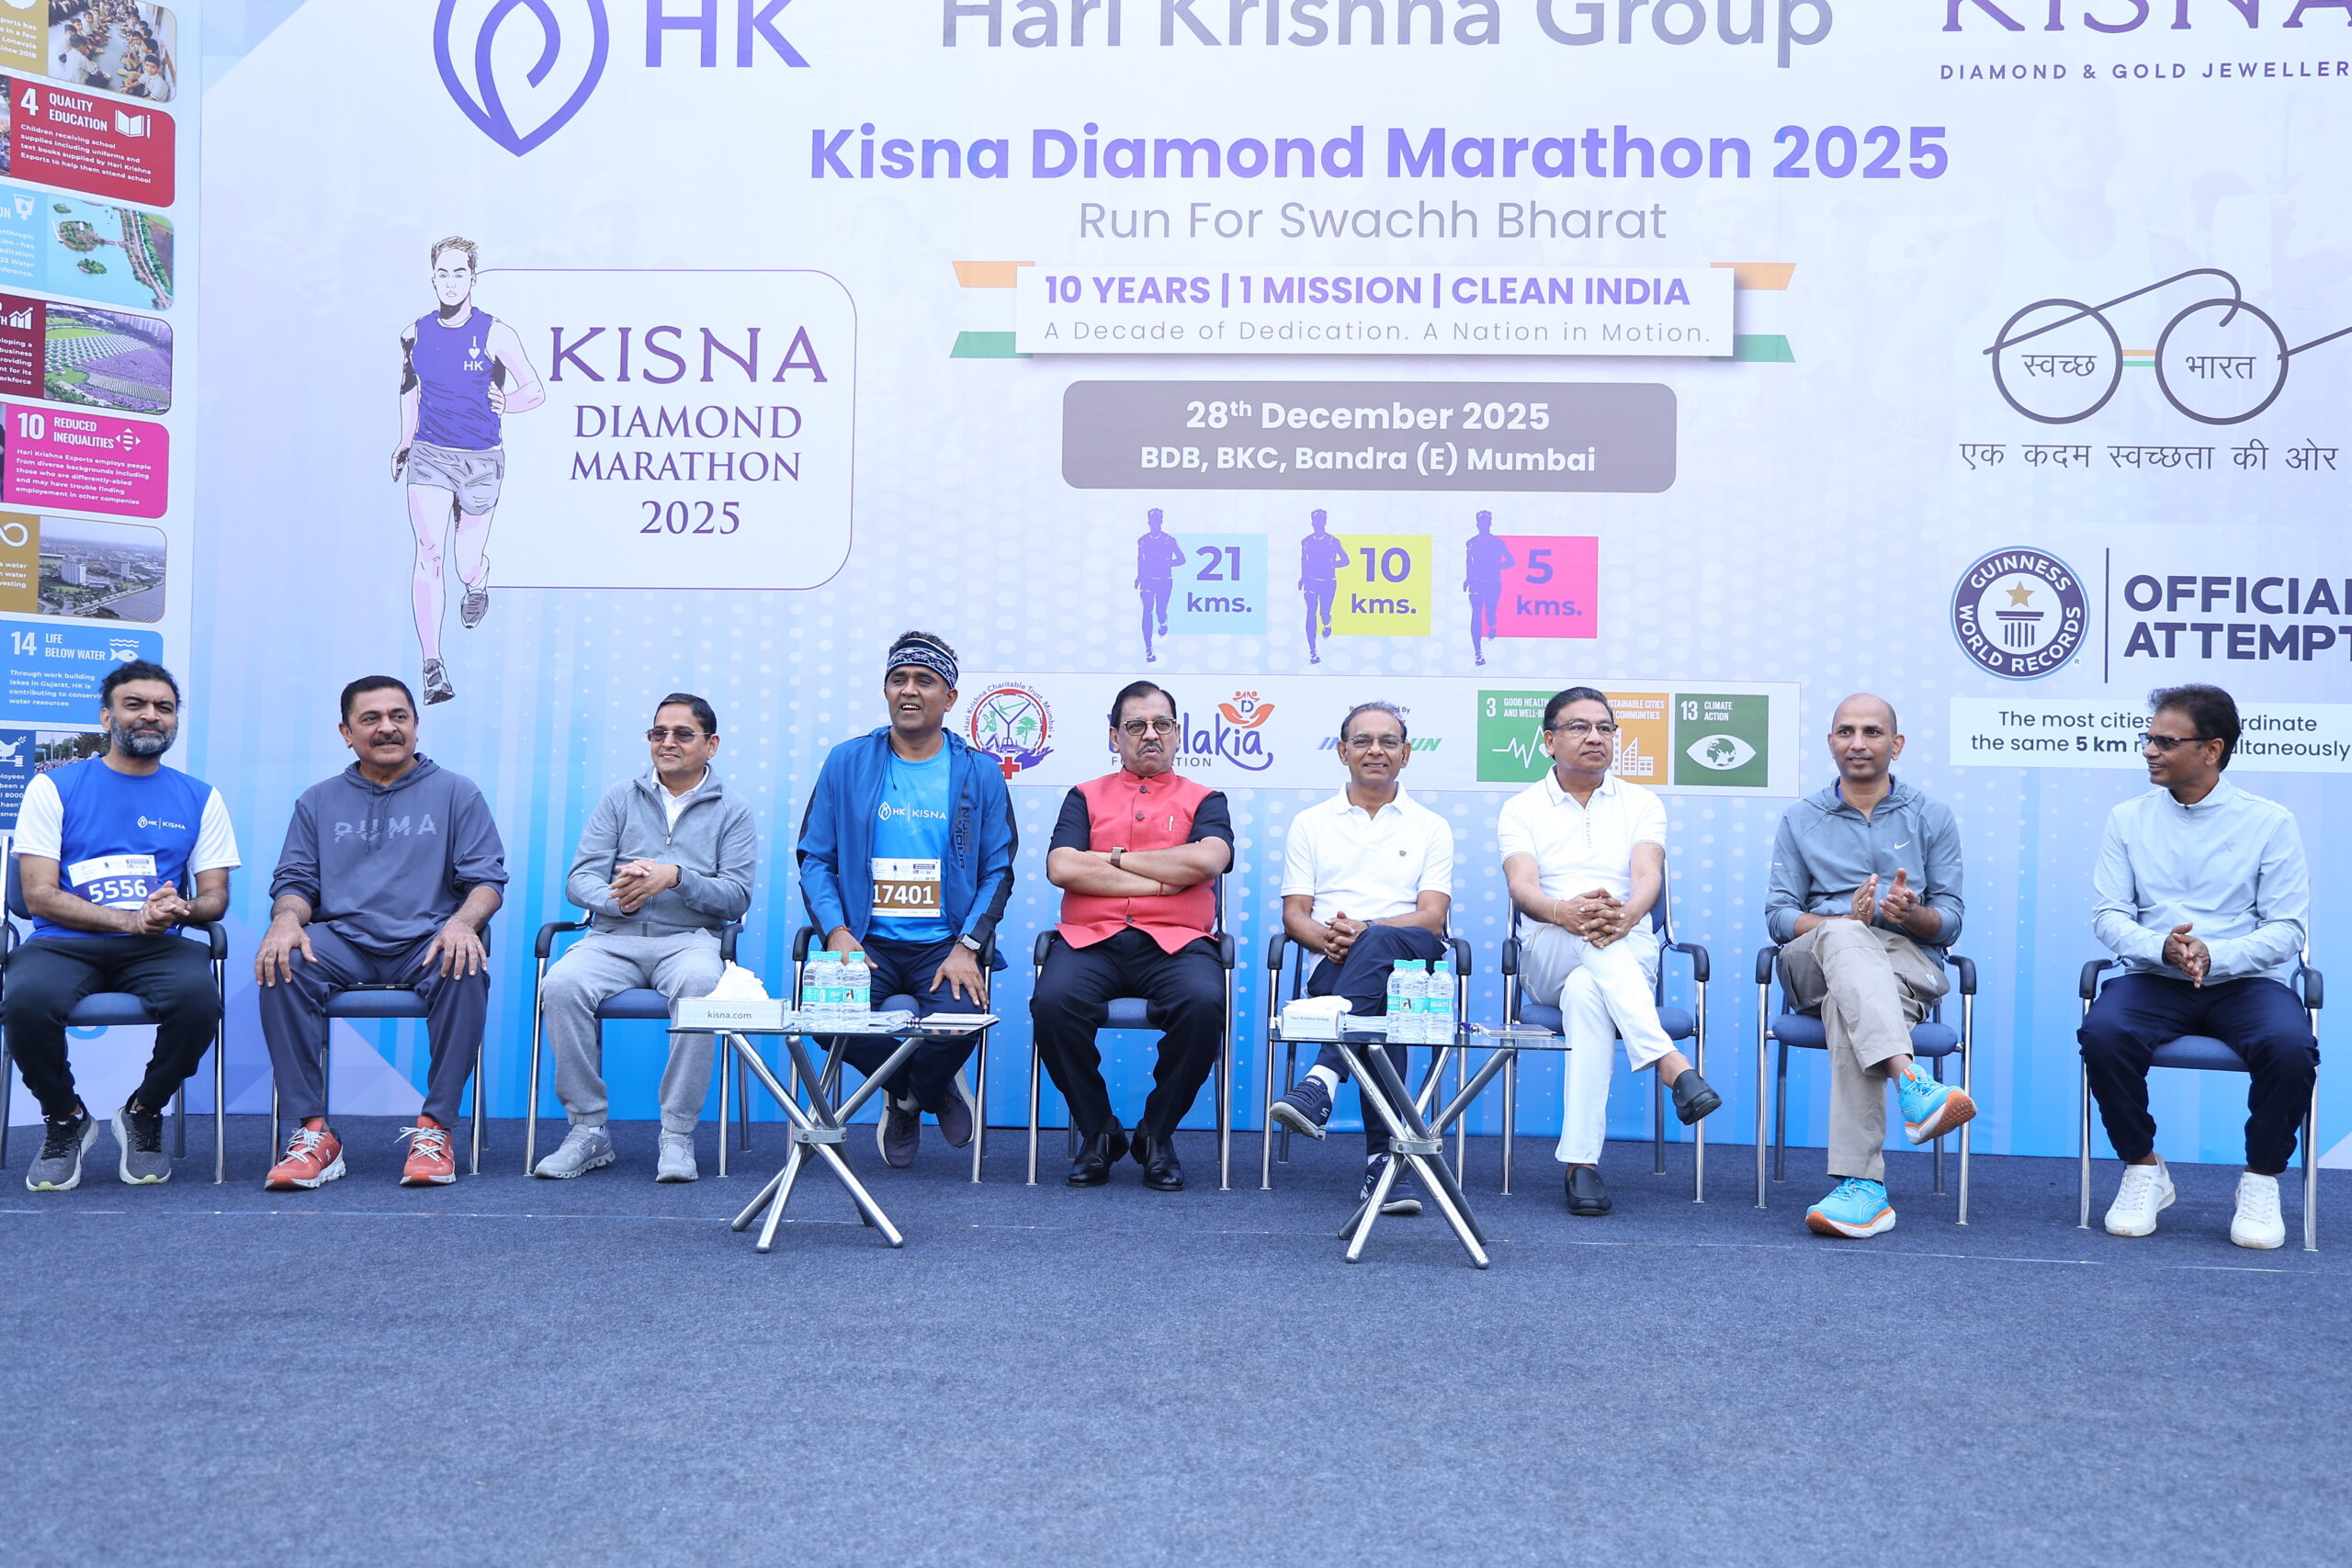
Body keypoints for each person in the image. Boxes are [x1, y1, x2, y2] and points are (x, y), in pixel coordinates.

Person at [2081, 684, 2314, 1251]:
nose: (2149, 751)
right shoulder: (2127, 819)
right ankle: (2143, 1167)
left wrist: (2216, 953)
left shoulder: (2269, 822)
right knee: (2103, 1033)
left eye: (2165, 742)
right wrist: (2161, 947)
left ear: (2212, 750)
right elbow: (2109, 915)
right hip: (2154, 977)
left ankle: (2261, 1179)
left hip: (2244, 982)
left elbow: (2288, 929)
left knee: (2291, 1047)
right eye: (2148, 739)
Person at [256, 676, 507, 1189]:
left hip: (427, 939)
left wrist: (463, 923)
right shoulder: (318, 800)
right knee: (283, 963)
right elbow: (296, 882)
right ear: (346, 732)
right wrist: (285, 920)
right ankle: (313, 1132)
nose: (387, 727)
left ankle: (435, 1128)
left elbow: (486, 880)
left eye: (399, 716)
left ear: (416, 725)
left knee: (464, 962)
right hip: (343, 941)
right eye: (370, 719)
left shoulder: (457, 792)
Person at [10, 660, 236, 1191]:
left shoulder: (201, 797)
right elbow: (39, 893)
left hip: (157, 945)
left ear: (175, 720)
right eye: (135, 704)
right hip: (63, 942)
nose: (151, 715)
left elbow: (215, 898)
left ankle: (143, 1110)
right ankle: (65, 1117)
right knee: (24, 1001)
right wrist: (131, 920)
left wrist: (181, 910)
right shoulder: (52, 787)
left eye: (164, 707)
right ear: (106, 717)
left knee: (199, 1002)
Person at [1498, 686, 1720, 1216]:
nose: (1595, 737)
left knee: (1586, 992)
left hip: (1624, 941)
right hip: (1550, 944)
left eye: (1605, 728)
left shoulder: (1642, 803)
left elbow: (1648, 877)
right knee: (1583, 952)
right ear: (1549, 740)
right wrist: (1565, 912)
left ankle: (1581, 1164)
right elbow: (1522, 888)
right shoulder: (1521, 808)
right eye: (1579, 727)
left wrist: (1625, 915)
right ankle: (1670, 1063)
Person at [797, 632, 1015, 1168]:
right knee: (824, 1021)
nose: (909, 690)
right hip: (863, 942)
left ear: (950, 697)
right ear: (886, 690)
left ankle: (915, 1092)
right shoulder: (846, 761)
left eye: (925, 680)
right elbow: (815, 858)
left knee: (962, 1021)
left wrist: (968, 946)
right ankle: (917, 1092)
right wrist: (836, 932)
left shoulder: (980, 772)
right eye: (899, 679)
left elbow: (997, 869)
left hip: (943, 947)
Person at [1764, 694, 1973, 1240]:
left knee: (1849, 1008)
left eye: (1872, 732)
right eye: (1846, 731)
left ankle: (1864, 1192)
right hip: (1815, 959)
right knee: (1845, 935)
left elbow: (1950, 920)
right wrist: (1842, 921)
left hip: (1902, 963)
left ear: (1896, 745)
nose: (1858, 743)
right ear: (1831, 742)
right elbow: (1779, 916)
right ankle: (1912, 1081)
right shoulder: (1801, 818)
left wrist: (1913, 915)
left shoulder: (1931, 816)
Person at [532, 694, 758, 1184]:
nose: (667, 742)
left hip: (690, 940)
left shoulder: (733, 810)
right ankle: (588, 1129)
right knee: (560, 985)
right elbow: (580, 879)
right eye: (659, 733)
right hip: (613, 937)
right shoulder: (620, 797)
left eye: (682, 734)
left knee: (701, 986)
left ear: (711, 744)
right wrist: (622, 899)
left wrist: (676, 878)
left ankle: (677, 1134)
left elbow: (736, 897)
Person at [1033, 680, 1233, 1190]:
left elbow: (1208, 861)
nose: (1150, 734)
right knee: (1052, 1002)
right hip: (1090, 940)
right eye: (1136, 725)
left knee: (1204, 1003)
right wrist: (1165, 878)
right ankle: (1100, 1130)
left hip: (1178, 944)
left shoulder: (1206, 799)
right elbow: (1062, 868)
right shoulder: (1084, 796)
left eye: (1161, 724)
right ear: (1114, 736)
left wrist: (1110, 860)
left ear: (1178, 733)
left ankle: (1155, 1133)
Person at [1267, 700, 1454, 1218]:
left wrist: (1367, 930)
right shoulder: (1311, 823)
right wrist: (1327, 938)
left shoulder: (1431, 826)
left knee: (1379, 949)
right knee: (1382, 1002)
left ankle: (1320, 1082)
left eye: (1388, 741)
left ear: (1406, 754)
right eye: (1363, 741)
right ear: (1342, 751)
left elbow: (1432, 917)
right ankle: (1384, 1166)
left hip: (1412, 957)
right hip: (1337, 961)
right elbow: (1295, 916)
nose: (1376, 750)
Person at [392, 236, 544, 706]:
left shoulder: (497, 333)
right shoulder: (414, 334)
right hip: (430, 455)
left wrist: (508, 402)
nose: (451, 282)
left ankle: (478, 582)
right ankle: (432, 665)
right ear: (433, 278)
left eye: (460, 273)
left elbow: (534, 389)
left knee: (465, 560)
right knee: (429, 553)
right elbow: (409, 387)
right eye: (443, 274)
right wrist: (405, 439)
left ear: (473, 279)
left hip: (481, 460)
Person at [1464, 511, 1514, 667]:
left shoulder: (1498, 543)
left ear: (1490, 524)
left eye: (1486, 522)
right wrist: (1467, 579)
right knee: (1476, 615)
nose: (1483, 525)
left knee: (1490, 613)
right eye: (1481, 522)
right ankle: (1478, 652)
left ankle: (1492, 624)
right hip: (1476, 584)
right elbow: (1469, 562)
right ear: (1477, 524)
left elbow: (1511, 562)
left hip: (1493, 583)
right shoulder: (1471, 543)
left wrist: (1496, 565)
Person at [1298, 509, 1348, 666]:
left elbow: (1346, 560)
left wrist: (1333, 564)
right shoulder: (1306, 542)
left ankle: (1327, 623)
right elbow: (1304, 560)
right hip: (1311, 582)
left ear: (1325, 523)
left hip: (1328, 582)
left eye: (1321, 521)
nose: (1318, 524)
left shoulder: (1333, 542)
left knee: (1324, 612)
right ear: (1312, 523)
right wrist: (1303, 577)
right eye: (1316, 521)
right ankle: (1313, 650)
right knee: (1310, 612)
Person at [1136, 507, 1184, 664]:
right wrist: (1139, 576)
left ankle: (1163, 622)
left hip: (1164, 581)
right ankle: (1149, 649)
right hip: (1147, 581)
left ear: (1161, 521)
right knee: (1147, 612)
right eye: (1152, 520)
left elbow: (1182, 559)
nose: (1154, 523)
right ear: (1149, 522)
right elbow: (1140, 559)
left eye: (1157, 520)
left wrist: (1168, 563)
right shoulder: (1143, 540)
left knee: (1160, 611)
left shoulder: (1169, 540)